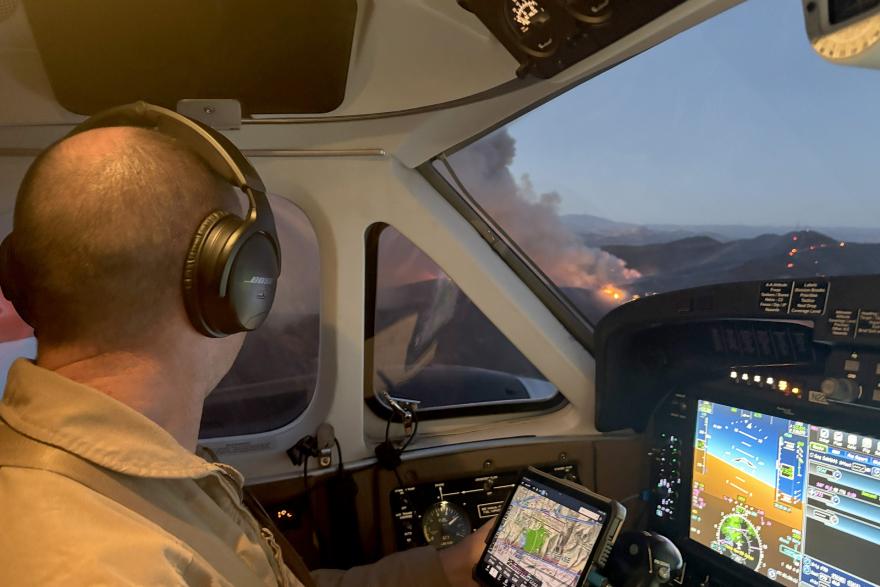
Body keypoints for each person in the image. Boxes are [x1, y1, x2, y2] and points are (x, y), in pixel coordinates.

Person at [0, 112, 489, 585]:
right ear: (232, 283)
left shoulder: (143, 468)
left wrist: (444, 572)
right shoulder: (103, 565)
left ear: (21, 282)